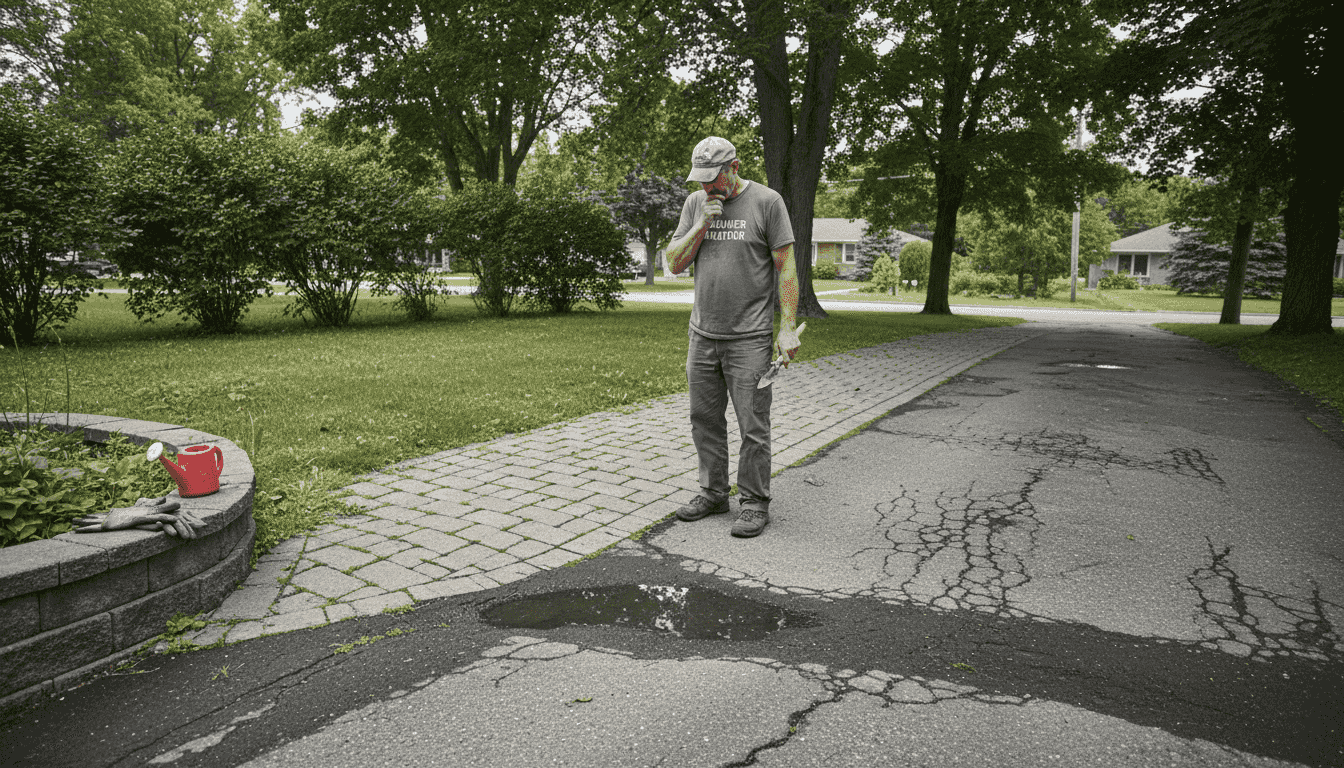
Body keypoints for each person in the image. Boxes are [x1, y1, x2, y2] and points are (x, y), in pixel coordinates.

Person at [664, 136, 801, 538]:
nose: (708, 187)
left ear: (735, 168)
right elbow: (673, 262)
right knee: (703, 419)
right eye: (702, 180)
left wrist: (788, 327)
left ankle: (755, 502)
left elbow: (786, 268)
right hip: (702, 334)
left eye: (714, 179)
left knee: (752, 425)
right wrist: (702, 224)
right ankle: (713, 492)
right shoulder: (695, 204)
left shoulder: (767, 203)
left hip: (750, 338)